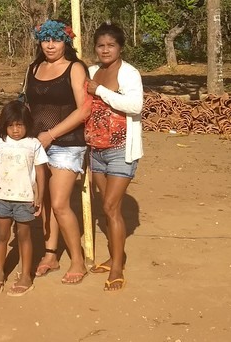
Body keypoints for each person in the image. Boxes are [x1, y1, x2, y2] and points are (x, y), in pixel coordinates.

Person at [47, 23, 144, 291]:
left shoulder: (129, 74)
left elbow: (135, 105)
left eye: (110, 45)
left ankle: (116, 267)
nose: (105, 50)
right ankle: (115, 256)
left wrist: (99, 90)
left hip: (121, 150)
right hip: (96, 151)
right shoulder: (91, 72)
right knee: (106, 207)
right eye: (100, 45)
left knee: (112, 207)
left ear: (120, 47)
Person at [28, 19, 90, 285]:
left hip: (67, 143)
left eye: (56, 40)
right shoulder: (34, 67)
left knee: (61, 204)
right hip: (36, 144)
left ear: (66, 41)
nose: (50, 45)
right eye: (45, 40)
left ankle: (78, 260)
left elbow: (84, 109)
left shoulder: (75, 68)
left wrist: (51, 135)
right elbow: (27, 104)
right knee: (45, 203)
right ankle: (51, 253)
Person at [0, 102, 46, 297]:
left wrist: (40, 196)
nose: (15, 130)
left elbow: (40, 171)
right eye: (11, 125)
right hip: (2, 197)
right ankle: (0, 272)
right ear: (5, 125)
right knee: (2, 236)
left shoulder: (34, 144)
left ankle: (26, 276)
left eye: (20, 125)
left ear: (27, 124)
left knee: (24, 236)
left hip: (24, 199)